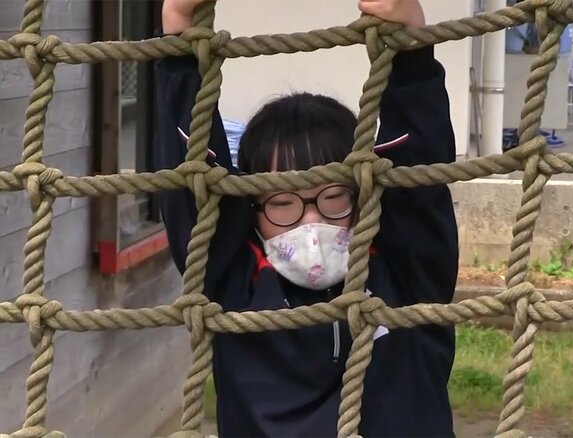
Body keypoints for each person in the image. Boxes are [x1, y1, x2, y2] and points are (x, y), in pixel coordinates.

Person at [153, 0, 458, 436]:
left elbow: (418, 175)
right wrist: (179, 24)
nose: (310, 222)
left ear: (362, 197)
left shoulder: (407, 274)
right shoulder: (231, 282)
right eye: (283, 205)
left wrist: (411, 46)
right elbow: (194, 174)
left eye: (333, 198)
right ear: (252, 209)